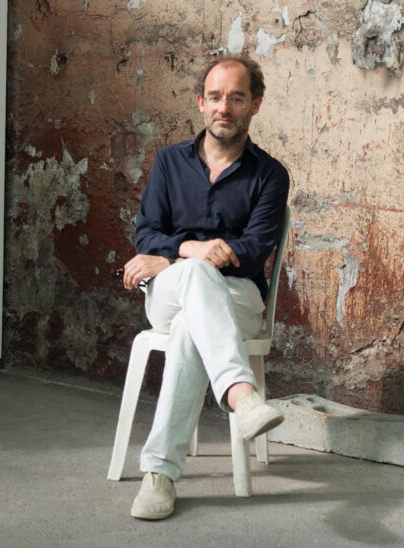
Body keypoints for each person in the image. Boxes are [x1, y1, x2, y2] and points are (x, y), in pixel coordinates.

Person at [121, 54, 290, 520]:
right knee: (195, 275)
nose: (224, 107)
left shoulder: (271, 174)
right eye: (215, 97)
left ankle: (159, 475)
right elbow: (145, 234)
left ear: (255, 104)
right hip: (170, 293)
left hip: (238, 297)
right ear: (200, 102)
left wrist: (169, 255)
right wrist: (191, 252)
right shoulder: (169, 162)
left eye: (236, 98)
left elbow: (253, 251)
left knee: (189, 330)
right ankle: (241, 394)